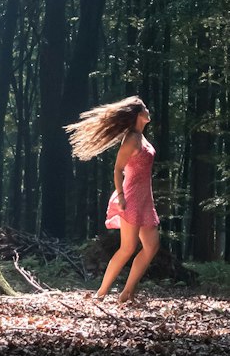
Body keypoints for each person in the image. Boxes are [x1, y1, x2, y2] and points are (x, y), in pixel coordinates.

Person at [64, 95, 160, 303]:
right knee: (128, 248)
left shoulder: (141, 137)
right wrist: (122, 196)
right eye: (144, 108)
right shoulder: (131, 139)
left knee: (152, 246)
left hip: (145, 200)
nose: (148, 111)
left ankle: (127, 292)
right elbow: (117, 169)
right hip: (132, 198)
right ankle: (101, 292)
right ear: (137, 114)